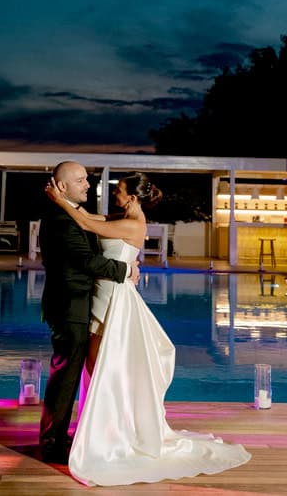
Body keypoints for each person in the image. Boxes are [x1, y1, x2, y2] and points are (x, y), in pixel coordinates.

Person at [45, 171, 251, 487]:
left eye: (119, 190)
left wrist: (60, 199)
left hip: (113, 299)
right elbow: (87, 215)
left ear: (133, 197)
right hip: (101, 296)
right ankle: (100, 432)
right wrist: (65, 202)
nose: (114, 193)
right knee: (95, 369)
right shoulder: (119, 217)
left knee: (102, 370)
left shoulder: (132, 224)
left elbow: (86, 224)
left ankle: (112, 437)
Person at [38, 161, 140, 464]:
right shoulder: (60, 218)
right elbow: (86, 261)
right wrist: (125, 269)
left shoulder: (70, 213)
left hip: (77, 304)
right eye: (80, 180)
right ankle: (52, 443)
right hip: (70, 305)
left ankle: (59, 435)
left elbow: (96, 227)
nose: (87, 184)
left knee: (69, 374)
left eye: (86, 179)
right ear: (63, 186)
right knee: (65, 376)